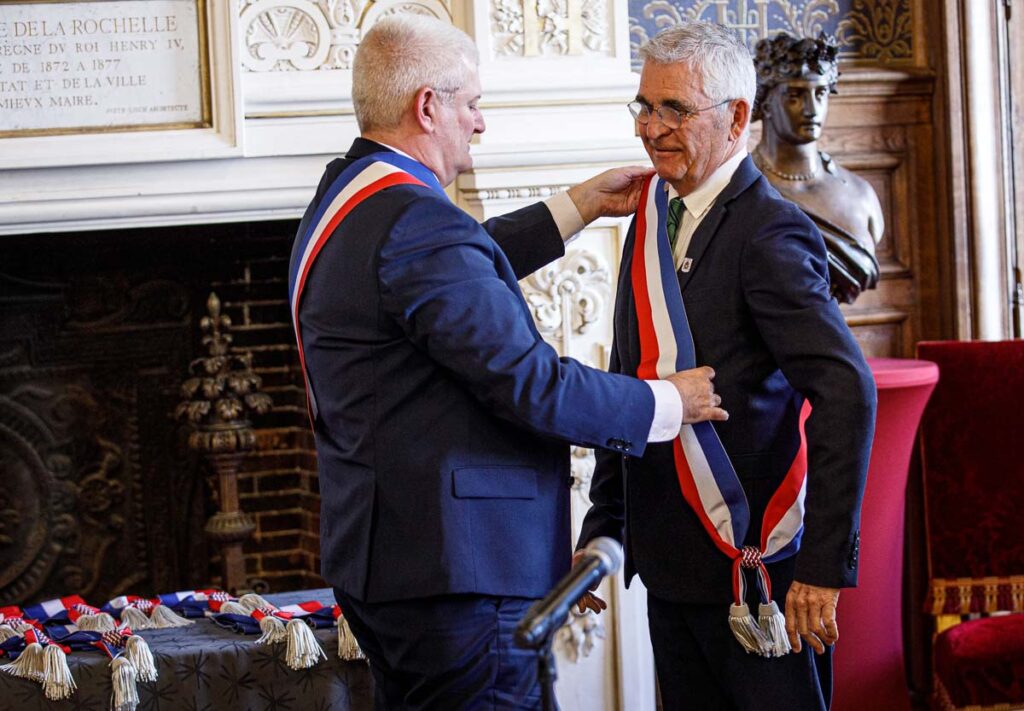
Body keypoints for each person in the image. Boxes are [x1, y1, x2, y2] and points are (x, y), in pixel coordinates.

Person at [287, 14, 727, 710]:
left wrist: (575, 207)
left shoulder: (347, 199)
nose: (481, 123)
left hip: (388, 565)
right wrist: (666, 402)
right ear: (427, 107)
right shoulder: (414, 226)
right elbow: (530, 381)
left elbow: (445, 284)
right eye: (472, 104)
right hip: (459, 580)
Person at [576, 21, 877, 710]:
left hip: (757, 577)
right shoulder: (654, 212)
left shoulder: (769, 231)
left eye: (674, 109)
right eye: (644, 107)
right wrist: (604, 527)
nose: (651, 129)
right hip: (670, 567)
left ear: (737, 117)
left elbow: (846, 390)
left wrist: (825, 569)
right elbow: (633, 382)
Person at [751, 33, 884, 304]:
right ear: (765, 101)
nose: (812, 109)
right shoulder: (744, 189)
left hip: (840, 339)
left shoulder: (860, 194)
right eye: (795, 96)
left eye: (821, 93)